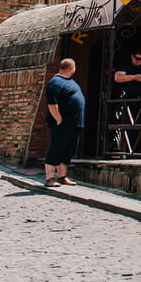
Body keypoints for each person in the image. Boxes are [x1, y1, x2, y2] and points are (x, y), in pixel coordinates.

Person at [44, 58, 85, 187]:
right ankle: (49, 178)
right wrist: (59, 119)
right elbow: (52, 104)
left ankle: (62, 176)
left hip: (74, 123)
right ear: (71, 68)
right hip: (62, 123)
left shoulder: (70, 82)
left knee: (68, 149)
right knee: (57, 147)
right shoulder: (55, 82)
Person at [112, 50, 141, 153]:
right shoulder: (125, 66)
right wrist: (134, 77)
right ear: (132, 57)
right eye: (137, 59)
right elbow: (117, 77)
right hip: (128, 101)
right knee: (126, 124)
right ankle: (123, 151)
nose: (139, 61)